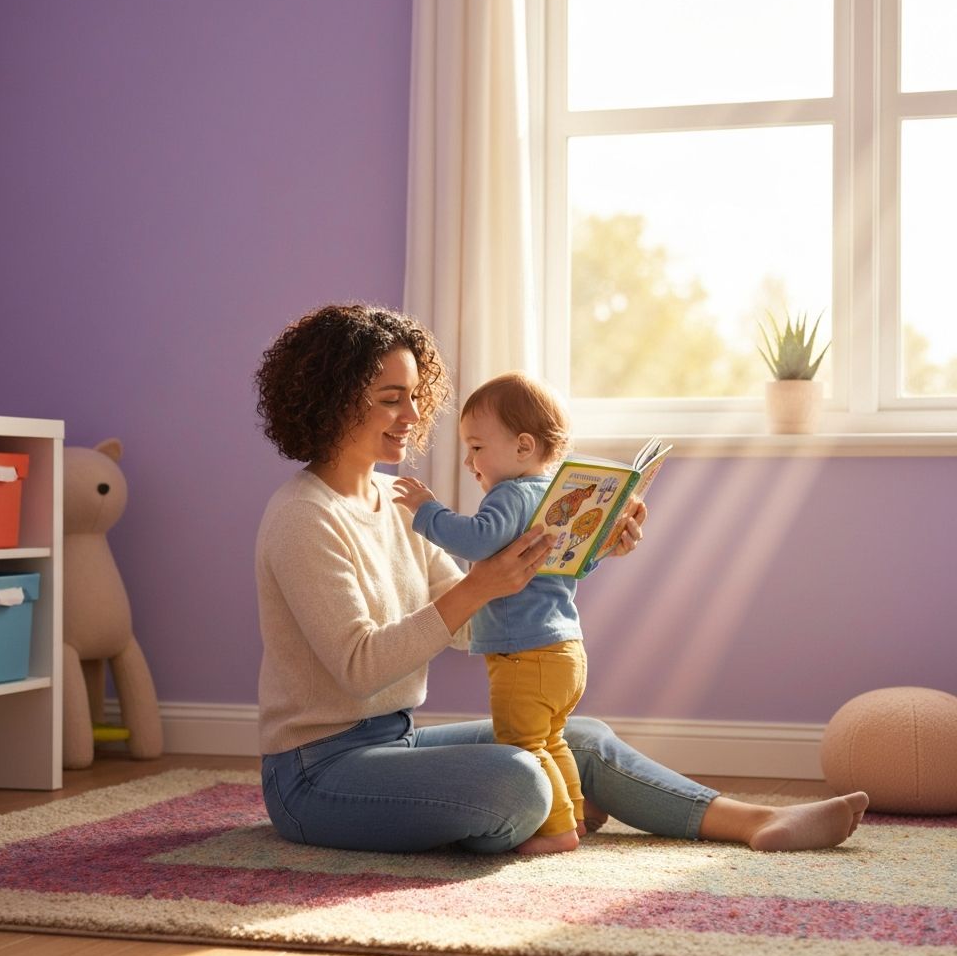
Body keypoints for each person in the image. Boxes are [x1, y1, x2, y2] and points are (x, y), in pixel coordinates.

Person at [254, 301, 868, 857]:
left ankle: (753, 820)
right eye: (392, 397)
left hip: (398, 742)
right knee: (519, 778)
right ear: (333, 400)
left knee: (583, 737)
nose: (414, 415)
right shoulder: (302, 517)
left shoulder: (396, 500)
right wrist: (484, 584)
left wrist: (569, 555)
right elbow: (359, 667)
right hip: (316, 772)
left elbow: (467, 626)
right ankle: (539, 808)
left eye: (416, 395)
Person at [392, 372, 604, 854]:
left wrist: (427, 512)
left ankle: (555, 831)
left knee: (525, 746)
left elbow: (477, 539)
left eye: (476, 448)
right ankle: (576, 813)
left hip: (524, 655)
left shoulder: (510, 496)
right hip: (566, 650)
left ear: (523, 447)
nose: (469, 462)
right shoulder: (556, 499)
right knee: (553, 740)